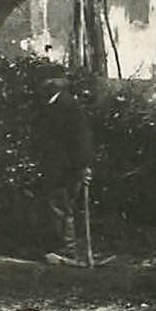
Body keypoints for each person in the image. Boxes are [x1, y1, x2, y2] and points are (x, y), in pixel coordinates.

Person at [36, 70, 93, 266]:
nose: (43, 86)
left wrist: (83, 165)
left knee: (62, 205)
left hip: (66, 167)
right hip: (57, 165)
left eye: (47, 81)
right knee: (58, 205)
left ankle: (67, 250)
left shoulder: (68, 105)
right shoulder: (52, 105)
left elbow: (81, 138)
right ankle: (63, 248)